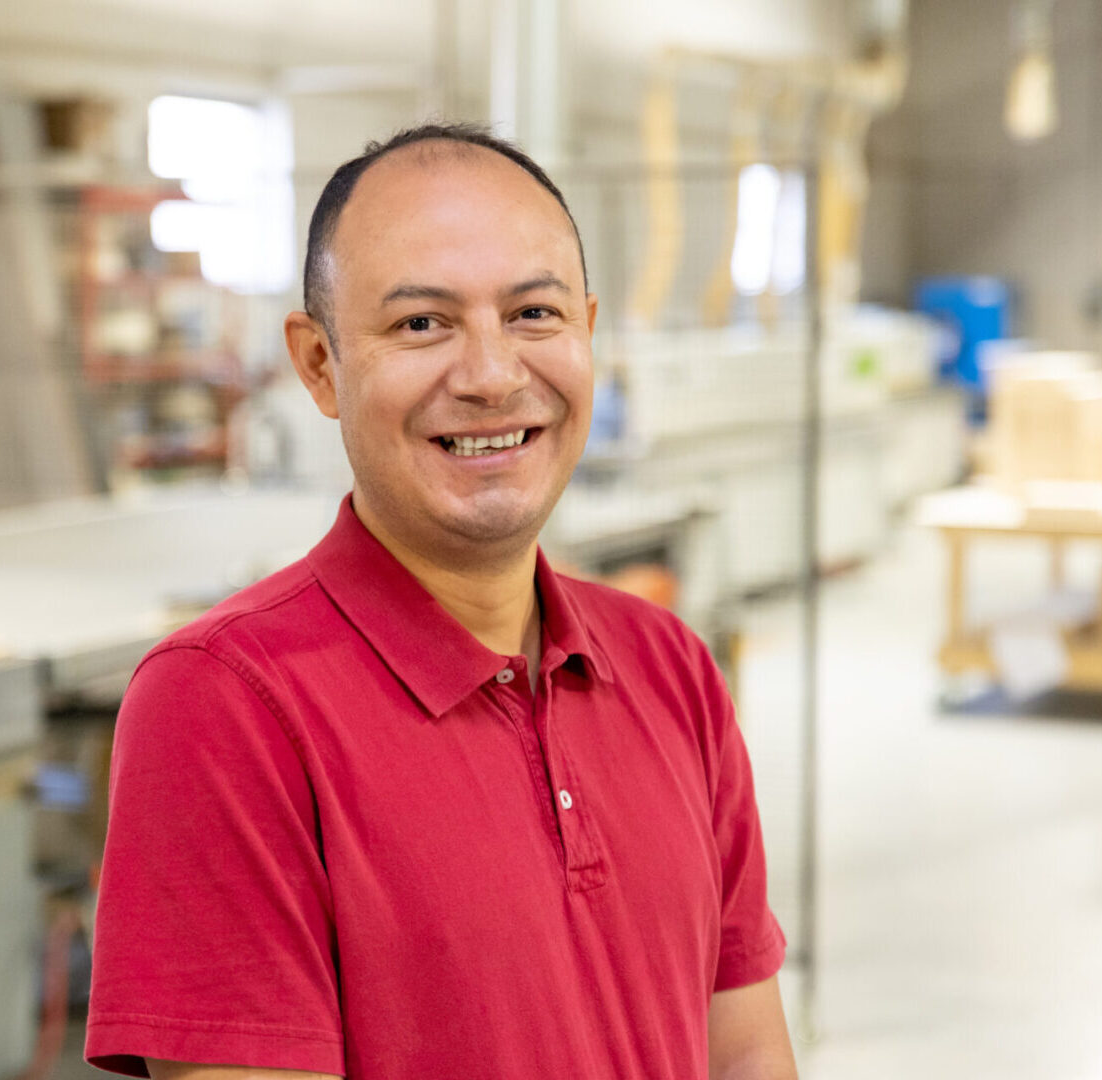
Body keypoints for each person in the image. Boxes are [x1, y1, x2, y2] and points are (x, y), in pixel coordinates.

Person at [86, 123, 797, 1080]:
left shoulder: (669, 665)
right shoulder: (225, 706)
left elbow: (746, 1049)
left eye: (535, 315)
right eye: (422, 324)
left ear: (588, 329)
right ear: (319, 365)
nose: (493, 375)